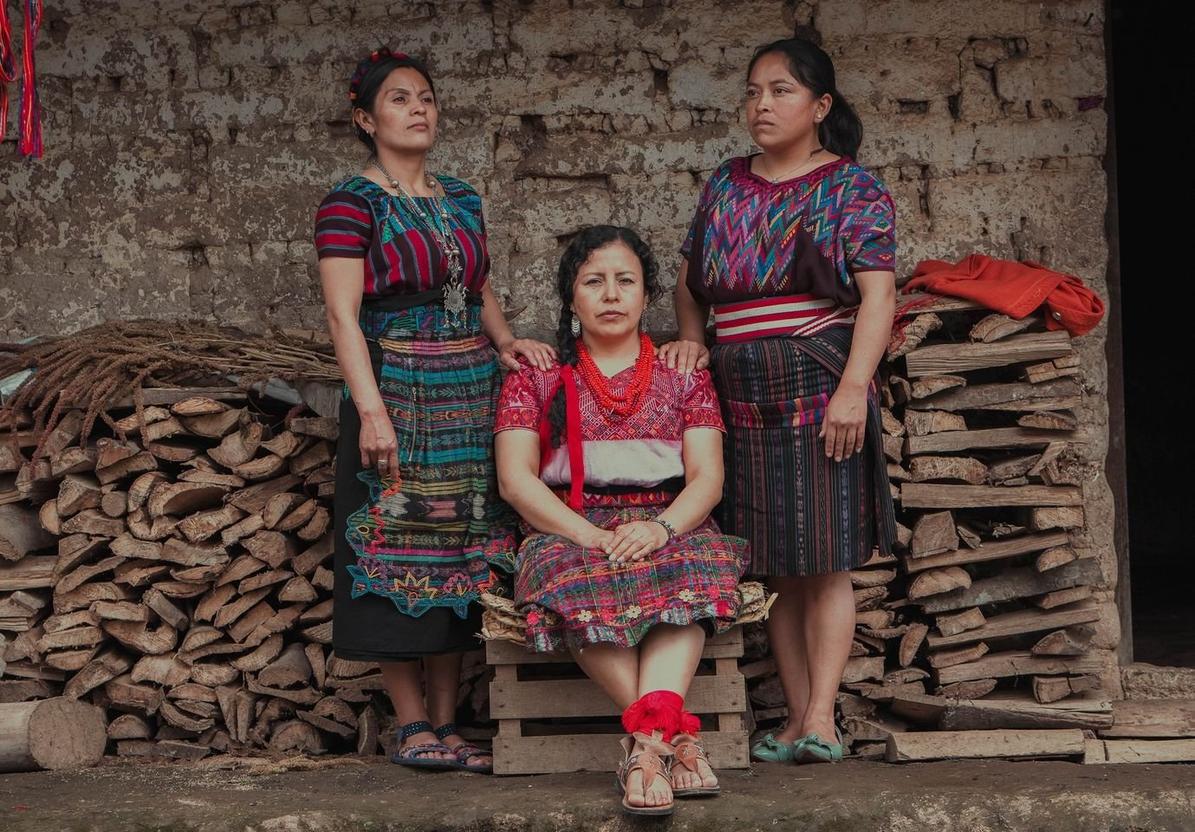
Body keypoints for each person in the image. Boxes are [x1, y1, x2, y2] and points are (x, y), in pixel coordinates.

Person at [314, 48, 554, 772]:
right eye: (398, 98)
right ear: (365, 119)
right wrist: (371, 410)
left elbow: (476, 287)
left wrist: (505, 342)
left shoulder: (462, 198)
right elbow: (341, 314)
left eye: (425, 97)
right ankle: (411, 722)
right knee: (397, 541)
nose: (418, 108)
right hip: (396, 386)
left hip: (468, 388)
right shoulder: (351, 203)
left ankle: (449, 724)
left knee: (461, 544)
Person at [659, 37, 898, 764]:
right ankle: (794, 719)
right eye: (753, 92)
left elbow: (878, 298)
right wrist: (693, 342)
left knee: (825, 556)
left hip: (817, 377)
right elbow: (689, 283)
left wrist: (852, 389)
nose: (761, 105)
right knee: (775, 561)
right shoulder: (726, 184)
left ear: (820, 106)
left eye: (781, 91)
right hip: (739, 386)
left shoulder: (852, 189)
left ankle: (822, 718)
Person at [494, 226, 747, 815]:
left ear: (646, 294)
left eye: (625, 281)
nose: (611, 295)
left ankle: (646, 749)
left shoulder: (683, 372)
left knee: (692, 574)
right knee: (572, 578)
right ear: (571, 297)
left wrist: (660, 530)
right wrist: (588, 534)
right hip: (567, 523)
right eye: (594, 282)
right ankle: (672, 741)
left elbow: (707, 479)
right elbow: (516, 481)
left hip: (667, 518)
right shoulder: (535, 376)